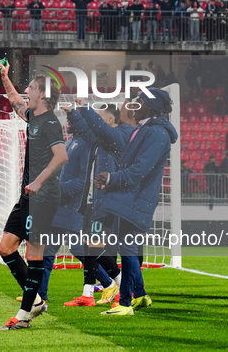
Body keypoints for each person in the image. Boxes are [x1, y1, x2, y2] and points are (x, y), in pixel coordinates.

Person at [0, 61, 67, 330]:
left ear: (43, 95)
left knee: (34, 255)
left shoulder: (50, 123)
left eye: (32, 87)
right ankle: (36, 299)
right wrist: (5, 78)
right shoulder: (35, 118)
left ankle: (24, 315)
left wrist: (37, 181)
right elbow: (15, 102)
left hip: (44, 196)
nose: (27, 89)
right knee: (5, 248)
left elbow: (62, 156)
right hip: (28, 197)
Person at [93, 87, 177, 315]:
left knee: (127, 247)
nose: (132, 105)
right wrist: (110, 180)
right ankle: (140, 295)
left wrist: (112, 178)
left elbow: (139, 170)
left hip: (136, 198)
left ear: (149, 107)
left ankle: (125, 304)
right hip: (130, 196)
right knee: (125, 246)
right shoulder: (148, 130)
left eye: (138, 101)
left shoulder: (157, 133)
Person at [61, 102, 135, 307]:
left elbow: (95, 126)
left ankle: (121, 288)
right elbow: (86, 129)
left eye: (100, 118)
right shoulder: (102, 140)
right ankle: (87, 294)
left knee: (95, 248)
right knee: (89, 247)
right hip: (92, 201)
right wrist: (73, 113)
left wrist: (84, 108)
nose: (96, 124)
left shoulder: (117, 138)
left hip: (107, 201)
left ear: (109, 121)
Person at [37, 121, 113, 303]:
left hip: (74, 207)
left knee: (79, 249)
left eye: (72, 120)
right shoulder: (71, 142)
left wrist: (58, 189)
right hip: (61, 206)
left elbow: (83, 180)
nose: (69, 123)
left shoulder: (85, 145)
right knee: (49, 250)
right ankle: (40, 295)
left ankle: (110, 284)